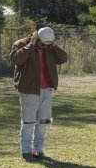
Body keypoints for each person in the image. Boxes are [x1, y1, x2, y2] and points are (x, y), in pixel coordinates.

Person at [11, 26, 69, 160]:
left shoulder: (49, 47)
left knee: (43, 121)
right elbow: (17, 60)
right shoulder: (20, 44)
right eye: (45, 42)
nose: (46, 44)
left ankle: (38, 150)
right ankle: (26, 152)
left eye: (49, 42)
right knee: (28, 122)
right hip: (29, 90)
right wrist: (30, 45)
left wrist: (54, 45)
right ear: (37, 36)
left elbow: (63, 58)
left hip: (46, 90)